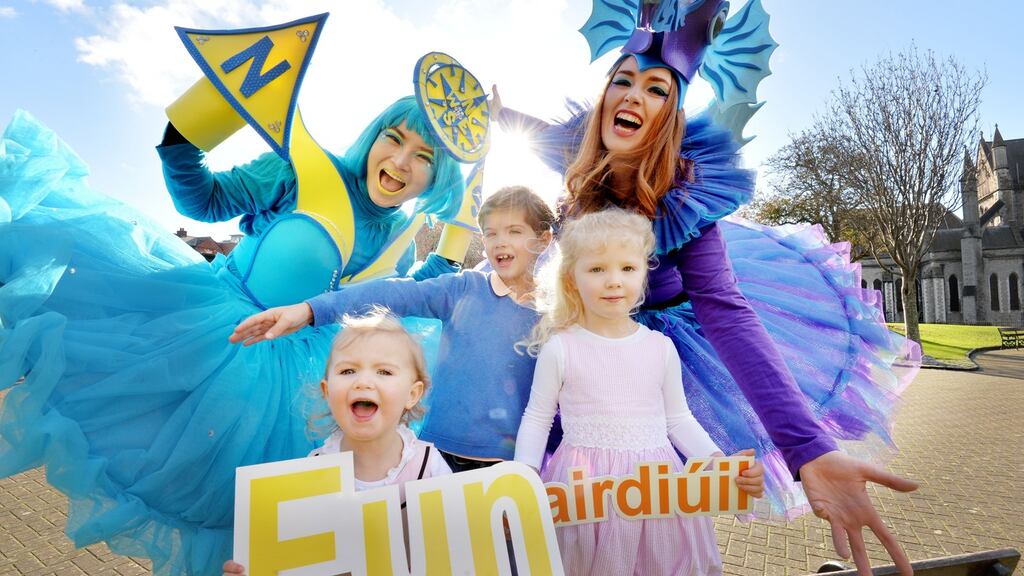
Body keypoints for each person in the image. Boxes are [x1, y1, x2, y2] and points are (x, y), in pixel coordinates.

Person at [491, 1, 921, 573]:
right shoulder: (578, 154)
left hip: (665, 343)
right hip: (585, 337)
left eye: (655, 90)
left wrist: (810, 450)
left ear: (670, 114)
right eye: (622, 82)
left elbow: (728, 315)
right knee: (566, 469)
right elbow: (541, 134)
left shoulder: (687, 198)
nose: (633, 97)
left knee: (648, 495)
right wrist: (499, 115)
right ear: (603, 102)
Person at [0, 97, 465, 575]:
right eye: (395, 138)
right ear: (374, 136)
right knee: (151, 441)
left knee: (247, 515)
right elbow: (203, 199)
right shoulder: (302, 173)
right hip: (213, 330)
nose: (402, 161)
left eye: (425, 157)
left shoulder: (399, 234)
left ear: (437, 178)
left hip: (292, 386)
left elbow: (411, 289)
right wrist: (187, 129)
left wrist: (464, 229)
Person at [230, 185, 555, 471]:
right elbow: (394, 294)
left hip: (506, 468)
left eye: (513, 231)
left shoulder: (555, 315)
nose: (499, 242)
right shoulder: (463, 289)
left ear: (543, 240)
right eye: (490, 232)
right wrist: (310, 310)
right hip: (438, 457)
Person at [515, 208, 764, 576]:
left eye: (627, 268)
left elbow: (678, 419)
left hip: (658, 488)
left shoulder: (659, 347)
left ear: (644, 273)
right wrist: (523, 478)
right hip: (585, 489)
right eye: (597, 269)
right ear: (572, 279)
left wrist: (720, 465)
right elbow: (537, 418)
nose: (614, 281)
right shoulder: (560, 347)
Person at [222, 309, 451, 575]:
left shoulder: (429, 467)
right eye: (348, 370)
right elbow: (295, 560)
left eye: (384, 372)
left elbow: (457, 548)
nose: (363, 382)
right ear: (327, 391)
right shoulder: (312, 473)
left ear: (412, 394)